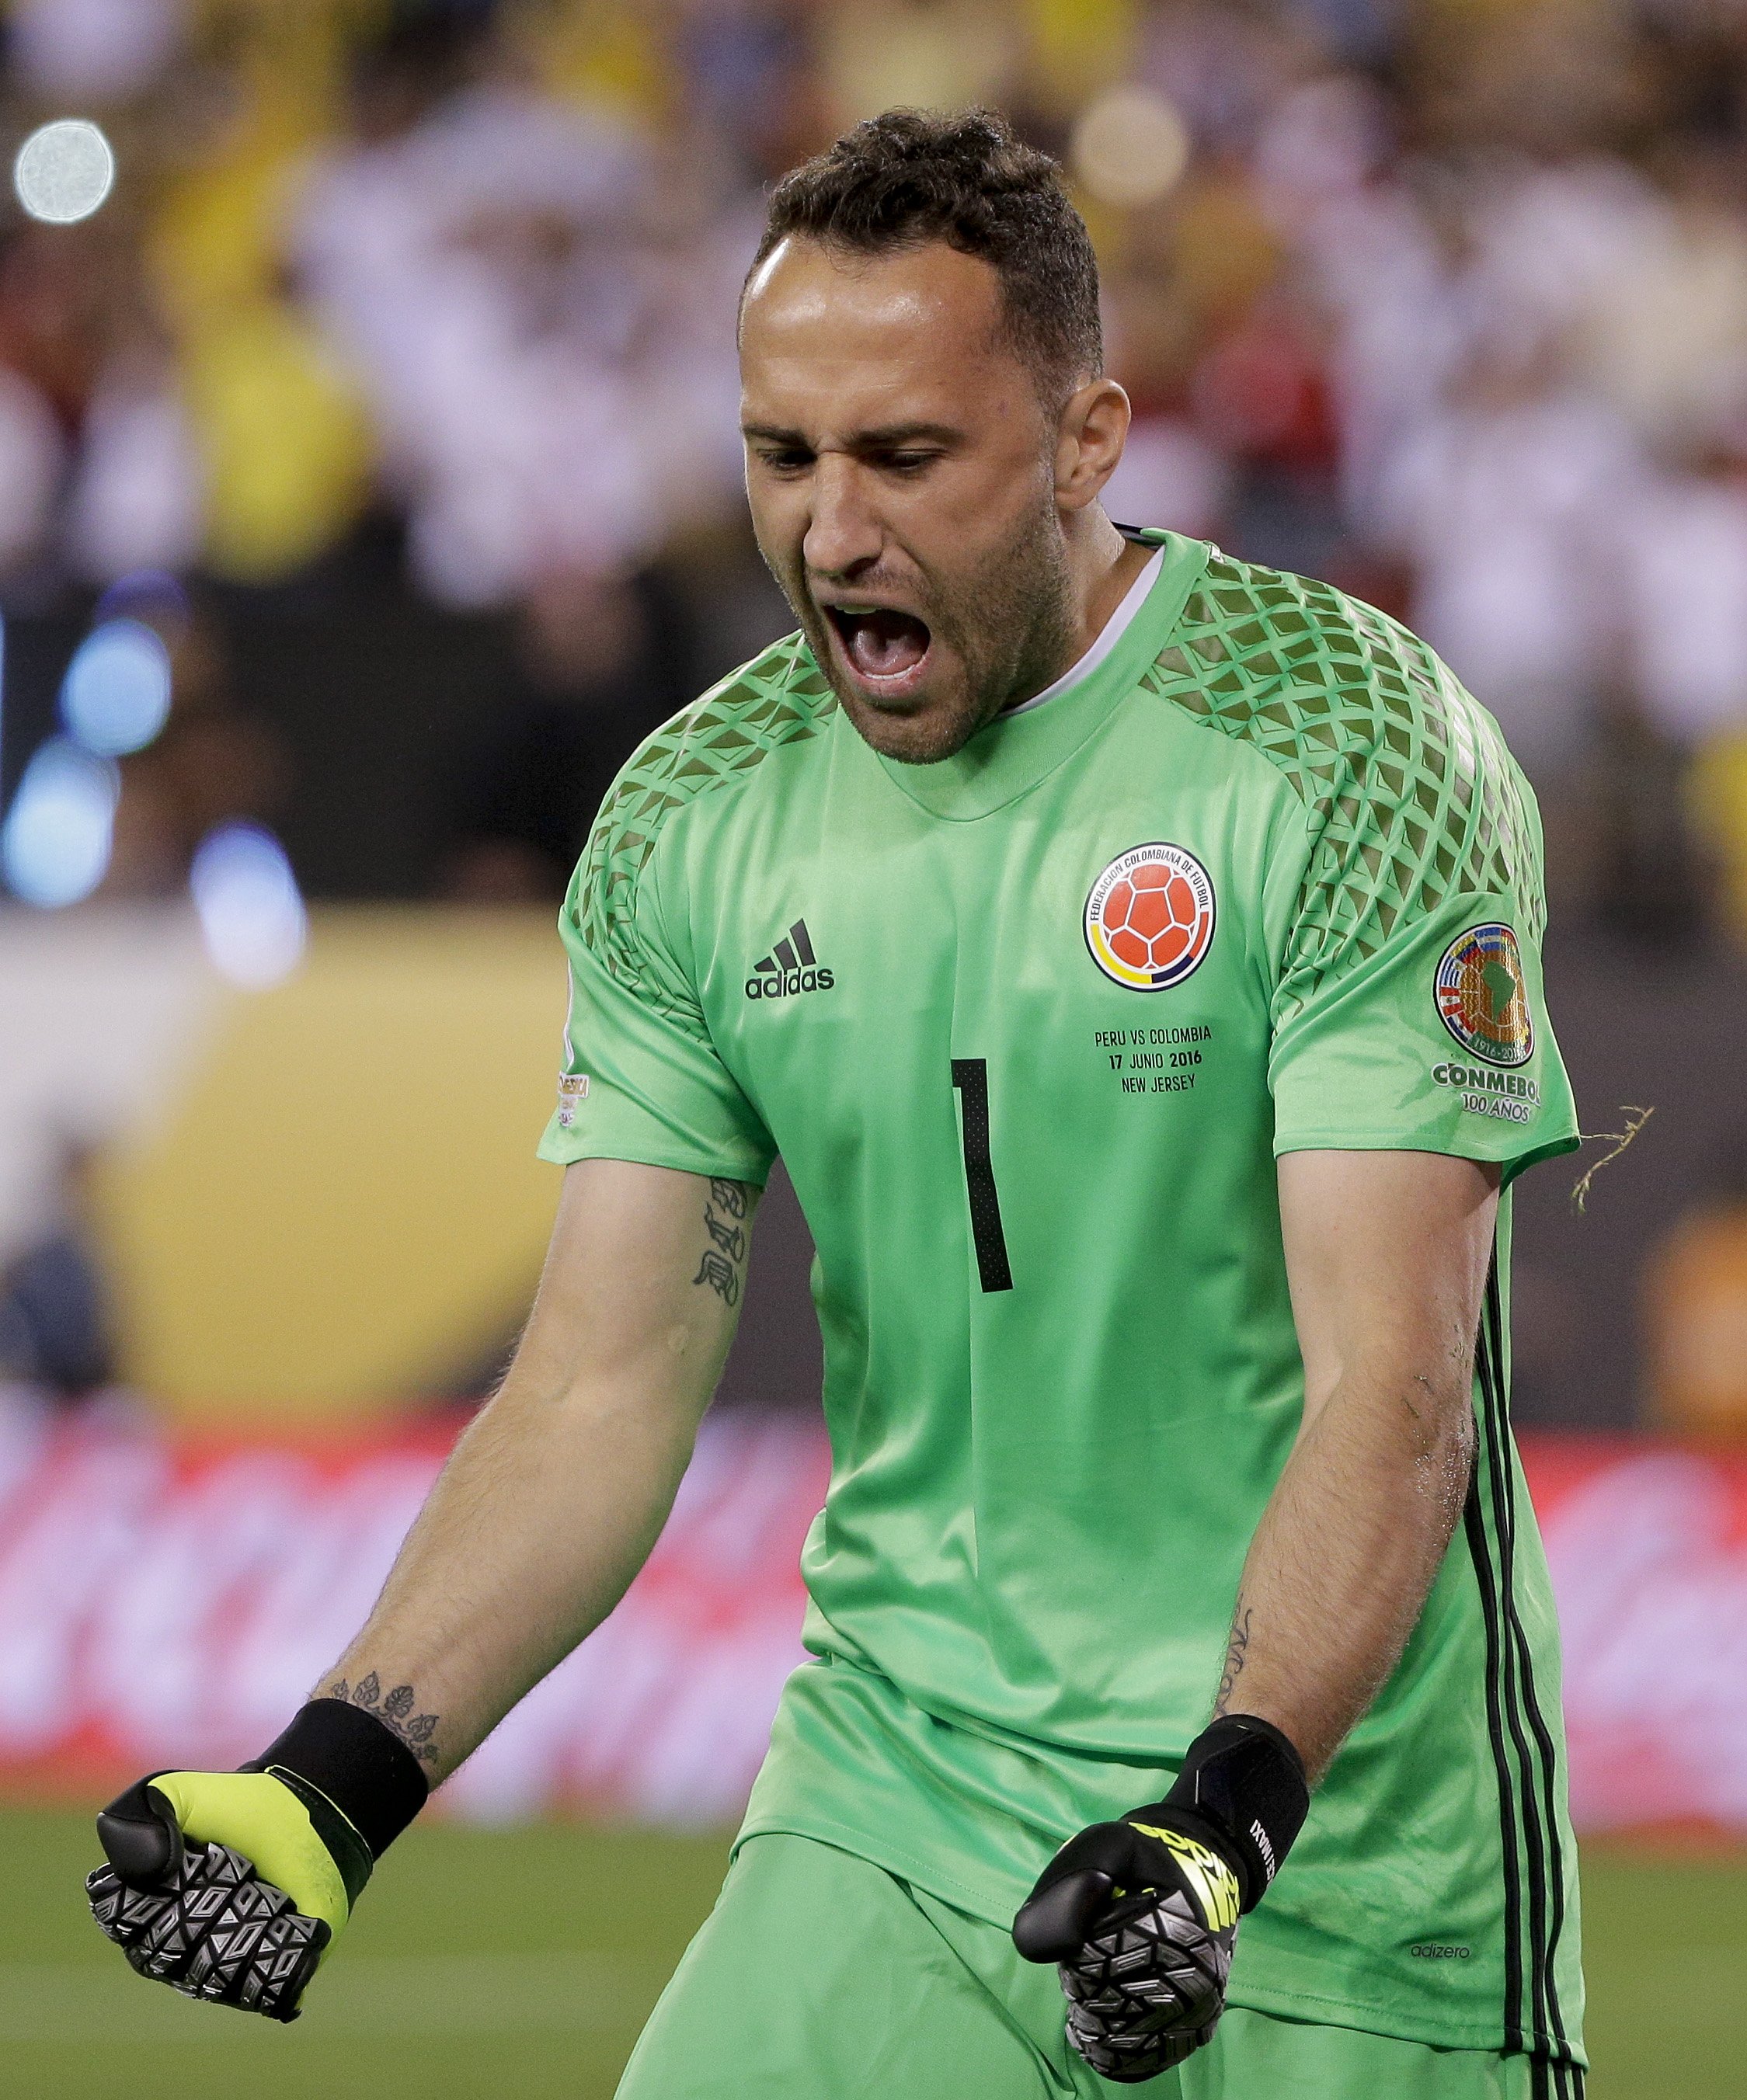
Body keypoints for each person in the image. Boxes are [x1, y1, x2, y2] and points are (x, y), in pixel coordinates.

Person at [87, 110, 1588, 2098]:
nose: (830, 529)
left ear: (1085, 438)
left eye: (903, 455)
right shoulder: (693, 822)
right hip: (895, 1806)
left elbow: (1388, 1380)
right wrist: (335, 1778)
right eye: (780, 455)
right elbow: (601, 1383)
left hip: (1342, 1879)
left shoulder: (1347, 747)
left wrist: (1225, 1813)